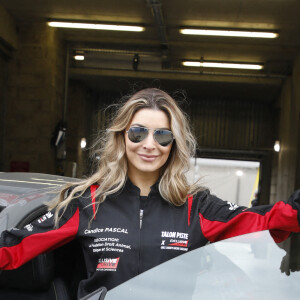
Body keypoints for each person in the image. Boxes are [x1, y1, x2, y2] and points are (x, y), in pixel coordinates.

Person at [0, 88, 300, 299]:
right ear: (122, 137)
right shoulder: (87, 202)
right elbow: (12, 248)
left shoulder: (196, 206)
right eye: (138, 132)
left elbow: (269, 221)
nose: (149, 144)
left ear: (174, 145)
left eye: (163, 135)